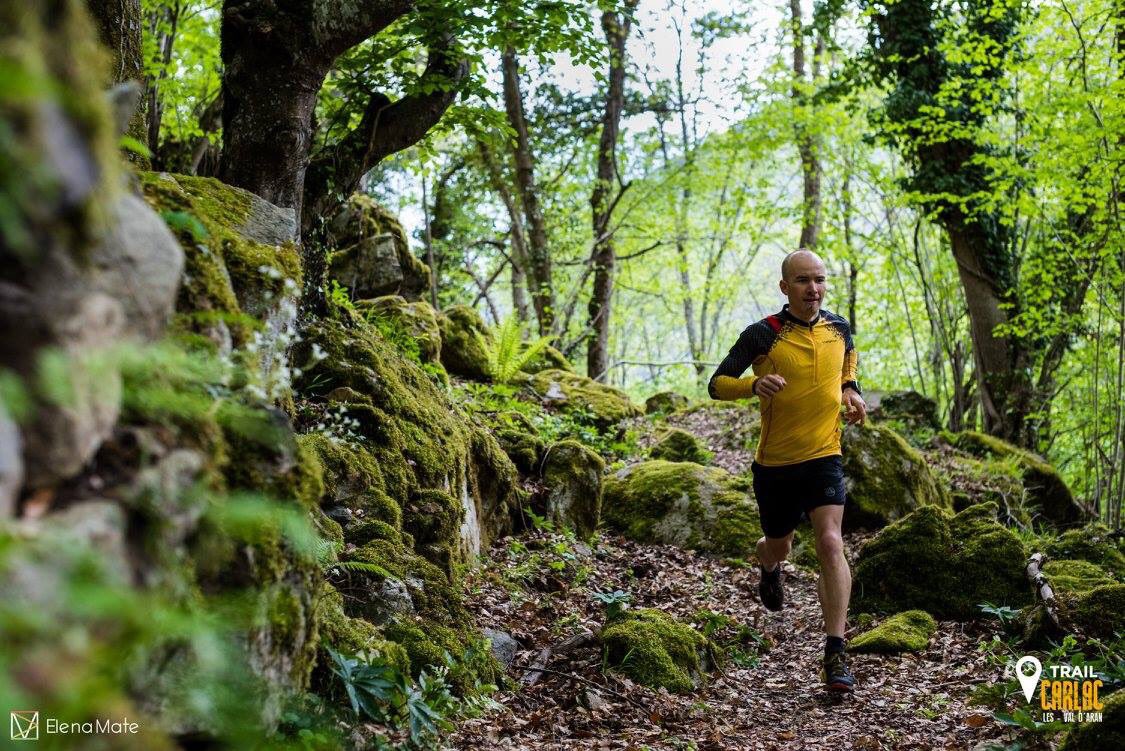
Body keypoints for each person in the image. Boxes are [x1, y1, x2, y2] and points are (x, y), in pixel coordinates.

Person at [707, 248, 866, 693]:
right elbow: (717, 384)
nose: (812, 288)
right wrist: (753, 384)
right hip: (776, 465)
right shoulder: (763, 335)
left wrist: (851, 390)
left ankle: (835, 652)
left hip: (824, 455)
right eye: (801, 281)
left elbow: (847, 360)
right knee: (778, 545)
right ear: (785, 287)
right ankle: (769, 565)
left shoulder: (840, 328)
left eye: (818, 279)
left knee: (831, 542)